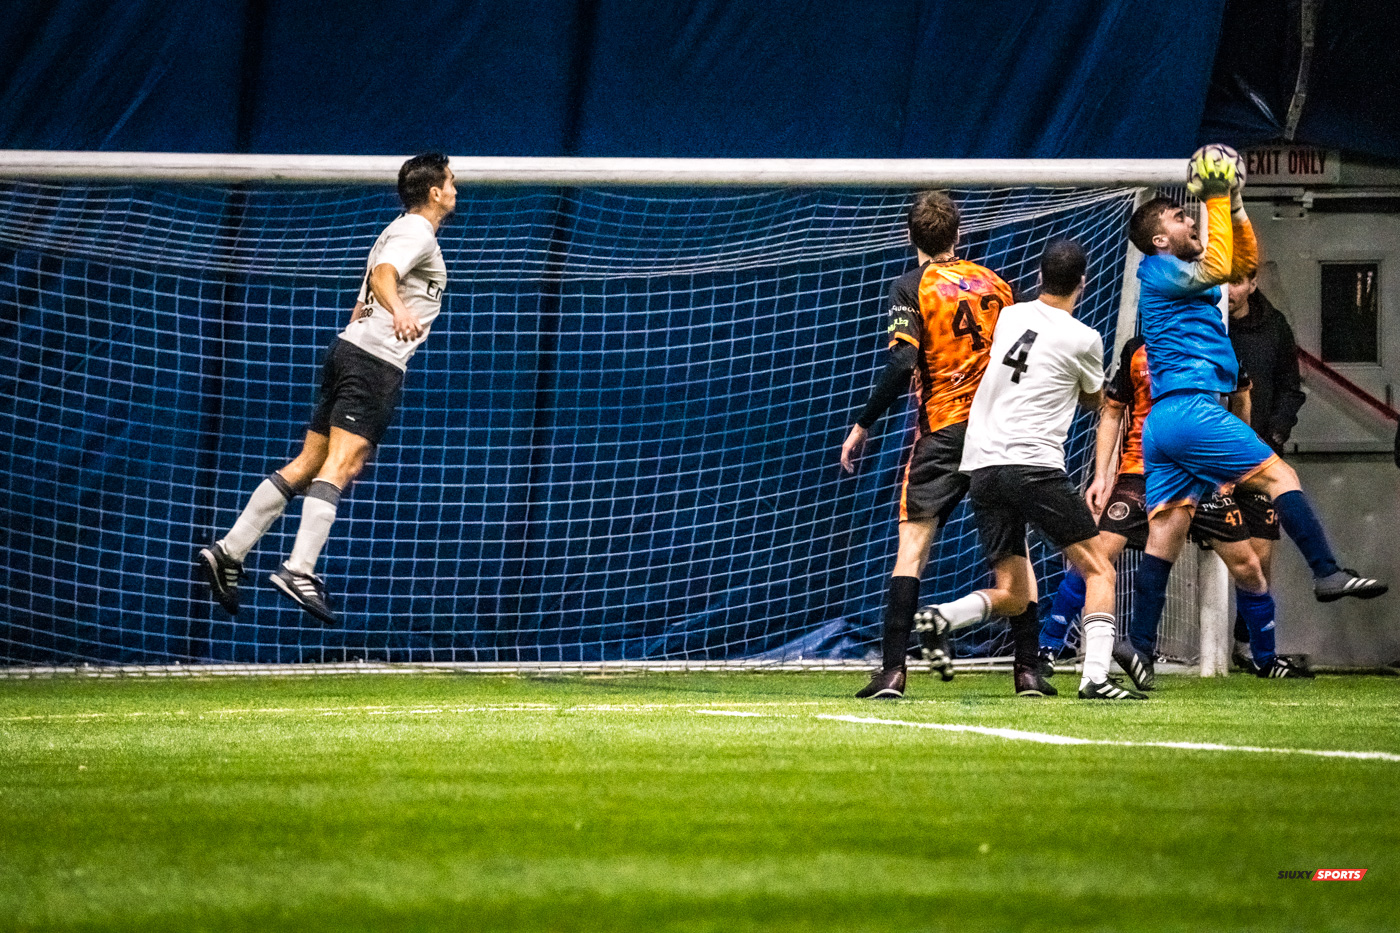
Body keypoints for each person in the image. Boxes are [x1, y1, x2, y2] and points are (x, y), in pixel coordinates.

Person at [1116, 159, 1385, 690]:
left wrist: (1236, 206)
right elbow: (1220, 264)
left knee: (1165, 533)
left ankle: (1138, 643)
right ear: (1159, 240)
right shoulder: (1163, 267)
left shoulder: (1174, 271)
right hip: (1193, 408)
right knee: (1279, 476)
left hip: (1167, 420)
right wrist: (1216, 193)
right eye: (1177, 215)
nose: (1188, 220)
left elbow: (1240, 261)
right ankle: (1327, 571)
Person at [197, 152, 457, 625]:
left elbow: (364, 298)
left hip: (351, 350)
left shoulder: (398, 230)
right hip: (374, 360)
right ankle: (298, 568)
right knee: (343, 463)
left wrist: (371, 321)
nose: (456, 189)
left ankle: (229, 551)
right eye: (451, 182)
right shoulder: (417, 231)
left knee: (309, 463)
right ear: (435, 191)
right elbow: (383, 277)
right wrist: (398, 311)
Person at [922, 239, 1140, 699]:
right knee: (1100, 571)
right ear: (1083, 282)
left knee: (1014, 592)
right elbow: (1093, 399)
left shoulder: (1009, 316)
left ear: (1039, 276)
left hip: (982, 466)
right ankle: (1096, 677)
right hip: (1033, 465)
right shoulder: (1085, 339)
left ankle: (943, 617)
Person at [1038, 335, 1312, 682]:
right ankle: (1047, 648)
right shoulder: (1137, 348)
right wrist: (1101, 477)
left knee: (1249, 567)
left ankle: (1265, 659)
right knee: (1096, 557)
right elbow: (1112, 411)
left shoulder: (1214, 342)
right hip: (1140, 471)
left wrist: (1229, 465)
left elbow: (1242, 399)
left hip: (1200, 473)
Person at [841, 190, 1013, 699]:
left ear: (909, 236)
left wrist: (863, 423)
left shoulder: (911, 286)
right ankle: (1028, 670)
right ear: (958, 234)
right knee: (1011, 553)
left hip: (944, 432)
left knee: (912, 551)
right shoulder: (998, 285)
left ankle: (893, 671)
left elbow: (901, 364)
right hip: (998, 434)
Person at [1224, 269, 1305, 669]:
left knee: (1258, 559)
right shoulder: (1204, 324)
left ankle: (1248, 646)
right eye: (1223, 280)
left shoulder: (1274, 327)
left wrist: (1274, 435)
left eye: (1237, 281)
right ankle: (1144, 643)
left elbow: (1292, 388)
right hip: (1206, 460)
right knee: (1163, 544)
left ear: (1252, 284)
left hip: (1256, 460)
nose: (1230, 290)